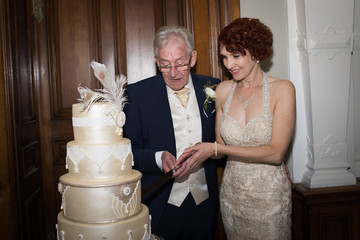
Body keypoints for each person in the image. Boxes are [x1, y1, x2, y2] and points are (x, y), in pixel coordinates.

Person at [177, 18, 295, 239]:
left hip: (269, 197)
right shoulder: (223, 90)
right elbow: (219, 146)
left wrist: (215, 149)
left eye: (236, 56)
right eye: (224, 57)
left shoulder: (283, 89)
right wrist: (195, 152)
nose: (229, 64)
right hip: (232, 195)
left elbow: (276, 153)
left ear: (256, 51)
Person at [123, 25, 220, 240]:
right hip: (160, 204)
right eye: (165, 66)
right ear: (157, 61)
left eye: (180, 64)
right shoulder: (138, 94)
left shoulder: (214, 88)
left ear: (193, 58)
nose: (173, 73)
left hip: (204, 203)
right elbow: (128, 152)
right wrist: (159, 158)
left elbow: (227, 139)